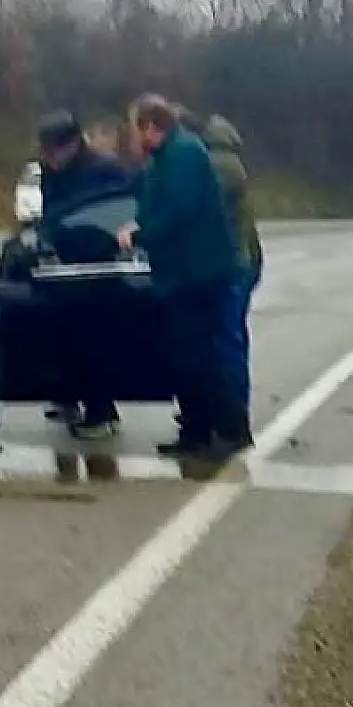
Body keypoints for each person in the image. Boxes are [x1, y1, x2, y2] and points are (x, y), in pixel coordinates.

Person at [119, 94, 246, 458]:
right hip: (179, 274)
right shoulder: (164, 158)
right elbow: (154, 203)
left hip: (198, 272)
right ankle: (195, 429)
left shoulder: (184, 154)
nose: (132, 137)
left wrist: (140, 235)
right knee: (185, 356)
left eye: (134, 128)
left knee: (202, 355)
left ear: (150, 126)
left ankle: (227, 430)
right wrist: (138, 223)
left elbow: (180, 210)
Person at [35, 110, 133, 438]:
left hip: (97, 266)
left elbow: (119, 209)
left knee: (95, 339)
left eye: (56, 149)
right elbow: (50, 213)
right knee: (63, 335)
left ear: (73, 144)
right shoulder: (51, 173)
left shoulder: (104, 170)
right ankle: (67, 395)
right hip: (64, 265)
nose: (51, 157)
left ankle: (101, 411)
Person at [200, 114, 263, 414]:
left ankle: (232, 410)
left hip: (234, 261)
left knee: (226, 339)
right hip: (245, 257)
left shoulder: (219, 165)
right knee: (231, 335)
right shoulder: (231, 161)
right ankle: (228, 405)